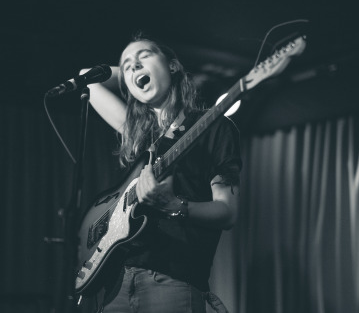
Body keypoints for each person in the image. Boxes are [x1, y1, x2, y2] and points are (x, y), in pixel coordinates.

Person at [85, 33, 242, 313]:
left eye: (144, 55)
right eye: (127, 63)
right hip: (116, 283)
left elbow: (227, 212)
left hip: (173, 279)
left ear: (172, 66)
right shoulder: (139, 137)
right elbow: (87, 77)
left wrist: (175, 206)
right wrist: (133, 71)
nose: (133, 66)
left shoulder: (215, 126)